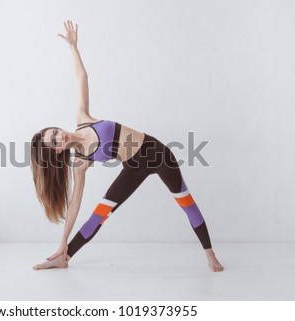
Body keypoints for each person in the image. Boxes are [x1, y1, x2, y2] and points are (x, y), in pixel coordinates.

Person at [30, 20, 224, 272]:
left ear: (57, 128)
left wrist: (73, 46)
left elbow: (82, 77)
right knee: (100, 213)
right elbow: (75, 205)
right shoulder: (80, 162)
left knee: (186, 202)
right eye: (54, 142)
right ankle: (64, 257)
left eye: (54, 132)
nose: (59, 138)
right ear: (56, 150)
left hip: (158, 154)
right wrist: (62, 242)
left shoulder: (82, 119)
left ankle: (210, 254)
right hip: (133, 167)